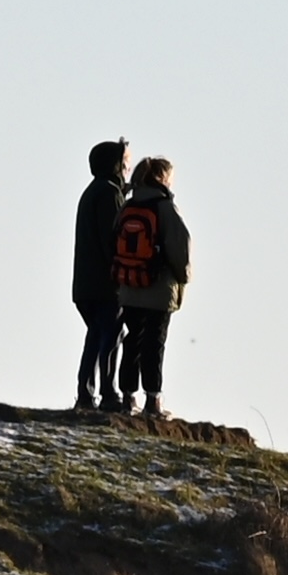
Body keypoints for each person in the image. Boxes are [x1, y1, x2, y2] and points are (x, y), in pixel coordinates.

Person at [109, 154, 189, 416]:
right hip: (158, 287)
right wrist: (182, 278)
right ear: (164, 178)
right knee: (155, 342)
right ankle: (153, 400)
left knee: (132, 341)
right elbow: (181, 247)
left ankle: (127, 397)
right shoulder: (165, 207)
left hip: (130, 286)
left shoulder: (128, 206)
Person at [70, 138, 129, 408]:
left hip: (85, 284)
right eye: (125, 163)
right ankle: (108, 392)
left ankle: (86, 391)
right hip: (105, 283)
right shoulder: (109, 194)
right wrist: (121, 274)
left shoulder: (91, 191)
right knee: (110, 336)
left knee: (95, 336)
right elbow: (112, 240)